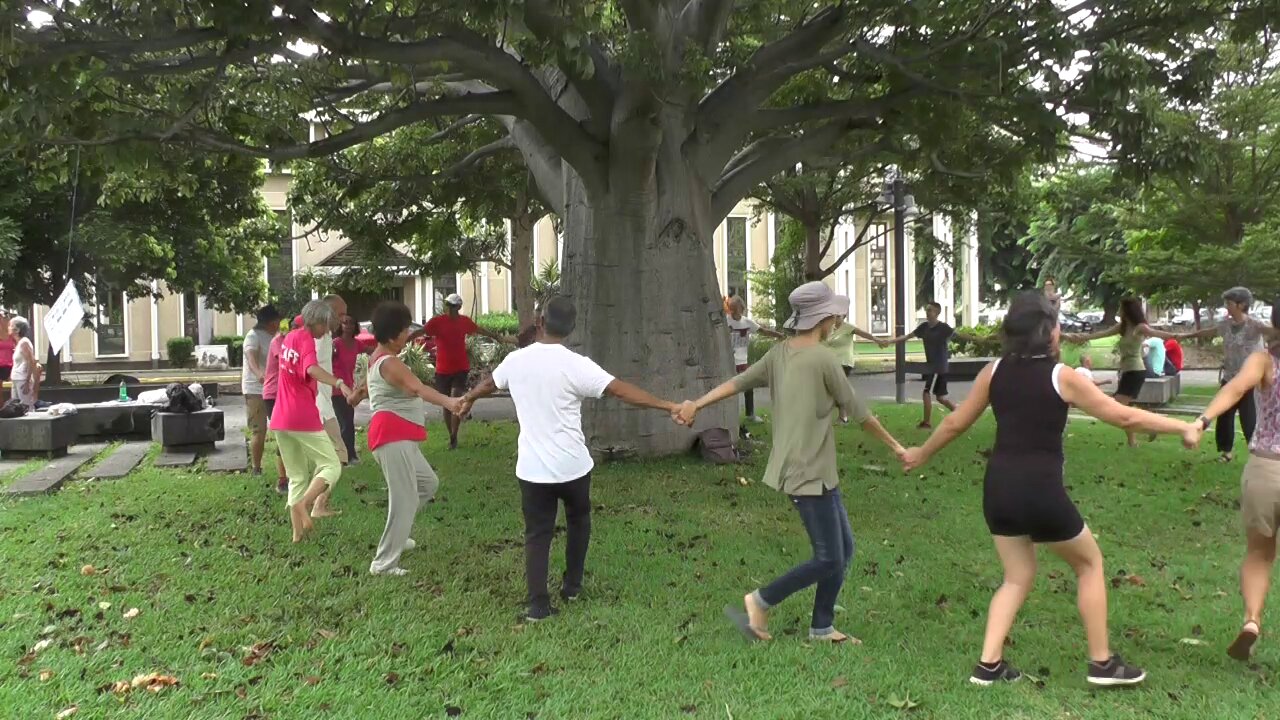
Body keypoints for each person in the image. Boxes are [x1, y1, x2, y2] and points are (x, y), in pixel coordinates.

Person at [901, 291, 1203, 687]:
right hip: (1040, 491)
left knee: (1016, 575)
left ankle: (988, 665)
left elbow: (957, 423)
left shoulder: (994, 372)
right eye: (1057, 324)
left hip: (999, 491)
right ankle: (1102, 663)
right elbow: (1121, 414)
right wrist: (1182, 426)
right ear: (1048, 332)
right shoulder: (1061, 376)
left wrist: (921, 453)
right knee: (1089, 564)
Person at [679, 282, 906, 644]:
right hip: (805, 471)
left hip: (817, 469)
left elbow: (737, 383)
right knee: (830, 557)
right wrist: (897, 447)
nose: (836, 319)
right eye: (834, 315)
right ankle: (760, 600)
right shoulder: (824, 358)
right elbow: (860, 413)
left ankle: (822, 627)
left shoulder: (780, 353)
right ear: (826, 319)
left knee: (843, 550)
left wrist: (696, 403)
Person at [460, 296, 682, 621]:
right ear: (571, 328)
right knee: (579, 522)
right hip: (574, 467)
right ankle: (572, 586)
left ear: (539, 322)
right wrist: (668, 406)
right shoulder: (578, 365)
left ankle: (538, 605)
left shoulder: (516, 361)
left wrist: (466, 399)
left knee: (538, 533)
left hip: (533, 472)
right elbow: (620, 390)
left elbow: (489, 384)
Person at [348, 302, 463, 576]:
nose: (407, 336)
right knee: (405, 499)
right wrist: (451, 402)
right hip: (391, 435)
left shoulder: (377, 357)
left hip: (400, 436)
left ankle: (400, 535)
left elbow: (366, 388)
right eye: (404, 331)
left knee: (427, 484)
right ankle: (384, 563)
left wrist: (355, 395)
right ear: (391, 334)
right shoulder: (388, 361)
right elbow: (416, 387)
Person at [1193, 304, 1280, 660]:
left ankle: (1251, 621)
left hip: (1265, 469)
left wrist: (1203, 420)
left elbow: (1236, 388)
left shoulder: (1264, 360)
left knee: (1259, 554)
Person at [270, 300, 354, 543]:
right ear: (316, 321)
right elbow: (311, 369)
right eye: (326, 326)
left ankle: (297, 536)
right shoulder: (306, 339)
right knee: (332, 465)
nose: (327, 331)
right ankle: (305, 504)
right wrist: (339, 382)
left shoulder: (290, 338)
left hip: (280, 418)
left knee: (297, 477)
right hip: (302, 417)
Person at [1065, 297, 1182, 447]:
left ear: (1128, 311)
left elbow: (1155, 332)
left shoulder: (1139, 327)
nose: (1119, 311)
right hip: (1126, 370)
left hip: (1136, 370)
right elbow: (1101, 334)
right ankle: (1136, 438)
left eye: (1121, 309)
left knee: (1118, 407)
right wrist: (1081, 338)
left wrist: (1177, 336)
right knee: (1123, 408)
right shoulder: (1122, 327)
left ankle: (1150, 424)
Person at [1181, 288, 1278, 462]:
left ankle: (1256, 452)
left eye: (1230, 303)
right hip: (1229, 377)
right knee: (1224, 416)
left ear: (1241, 305)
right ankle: (1226, 452)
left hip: (1250, 380)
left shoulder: (1254, 325)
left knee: (1250, 418)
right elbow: (1208, 332)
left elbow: (1272, 331)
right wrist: (1184, 335)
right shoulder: (1225, 324)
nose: (1227, 306)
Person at [416, 293, 515, 450]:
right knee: (447, 404)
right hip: (442, 370)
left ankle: (454, 435)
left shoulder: (464, 322)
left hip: (460, 368)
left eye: (452, 306)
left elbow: (480, 330)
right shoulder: (437, 322)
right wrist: (403, 340)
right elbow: (421, 331)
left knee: (457, 398)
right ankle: (451, 435)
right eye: (447, 305)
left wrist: (497, 337)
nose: (449, 309)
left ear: (459, 307)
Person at [884, 302, 977, 429]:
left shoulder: (943, 328)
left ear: (937, 313)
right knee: (940, 397)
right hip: (932, 367)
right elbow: (907, 337)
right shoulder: (924, 327)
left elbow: (960, 335)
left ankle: (927, 422)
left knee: (927, 393)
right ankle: (962, 416)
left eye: (930, 310)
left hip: (939, 367)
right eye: (927, 310)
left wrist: (980, 339)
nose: (927, 312)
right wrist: (889, 341)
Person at [312, 294, 349, 516]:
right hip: (319, 407)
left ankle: (315, 503)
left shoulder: (325, 336)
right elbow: (310, 369)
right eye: (341, 314)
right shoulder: (318, 338)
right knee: (337, 455)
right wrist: (340, 384)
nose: (344, 320)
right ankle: (314, 503)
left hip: (322, 404)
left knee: (327, 458)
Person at [726, 296, 783, 427]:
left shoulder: (747, 323)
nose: (733, 312)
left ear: (741, 308)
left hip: (742, 360)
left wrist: (778, 335)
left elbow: (763, 331)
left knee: (748, 386)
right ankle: (730, 415)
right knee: (729, 388)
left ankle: (750, 414)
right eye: (731, 309)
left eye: (736, 309)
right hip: (729, 361)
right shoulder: (725, 322)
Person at [242, 306, 281, 476]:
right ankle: (256, 468)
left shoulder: (274, 336)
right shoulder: (253, 336)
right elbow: (251, 357)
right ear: (272, 322)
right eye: (278, 321)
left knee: (281, 428)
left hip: (274, 389)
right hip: (256, 389)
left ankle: (284, 470)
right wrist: (259, 374)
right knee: (259, 430)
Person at [263, 318, 289, 494]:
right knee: (283, 436)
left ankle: (291, 476)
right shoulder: (278, 342)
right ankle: (282, 481)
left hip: (287, 394)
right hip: (274, 395)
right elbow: (288, 361)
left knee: (291, 436)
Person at [331, 314, 362, 465]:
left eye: (351, 323)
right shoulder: (335, 343)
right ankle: (347, 457)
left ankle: (350, 454)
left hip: (350, 388)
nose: (348, 326)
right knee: (346, 422)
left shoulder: (356, 343)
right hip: (336, 388)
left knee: (348, 421)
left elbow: (371, 350)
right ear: (340, 325)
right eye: (345, 323)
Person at [7, 316, 40, 407]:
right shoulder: (19, 343)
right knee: (15, 406)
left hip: (22, 379)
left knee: (26, 406)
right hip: (16, 379)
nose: (8, 327)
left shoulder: (24, 342)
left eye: (11, 325)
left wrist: (27, 381)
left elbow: (31, 361)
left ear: (17, 330)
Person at [0, 313, 14, 403]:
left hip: (11, 365)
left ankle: (14, 405)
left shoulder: (12, 335)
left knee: (16, 384)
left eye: (5, 318)